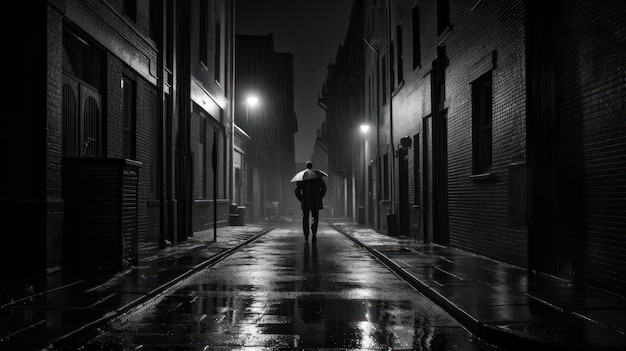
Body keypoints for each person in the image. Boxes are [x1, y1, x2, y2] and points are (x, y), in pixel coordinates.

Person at [295, 161, 327, 242]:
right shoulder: (317, 176)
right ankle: (314, 232)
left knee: (305, 218)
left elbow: (297, 191)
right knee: (314, 217)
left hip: (306, 201)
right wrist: (320, 197)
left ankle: (306, 235)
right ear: (312, 166)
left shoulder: (303, 177)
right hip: (316, 201)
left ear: (306, 166)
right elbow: (324, 188)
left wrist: (301, 199)